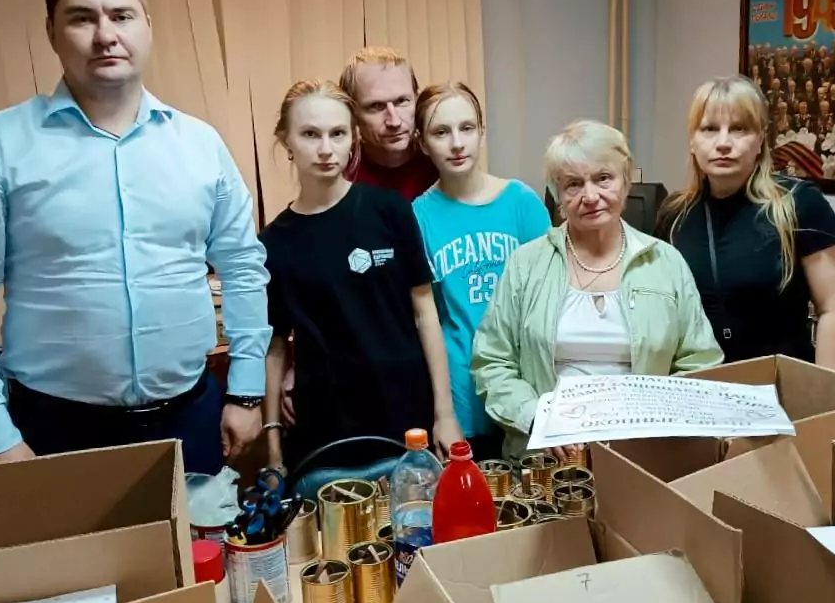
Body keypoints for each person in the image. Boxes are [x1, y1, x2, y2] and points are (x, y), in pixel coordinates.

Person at [0, 0, 271, 472]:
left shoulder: (200, 145)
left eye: (121, 15)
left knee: (200, 531)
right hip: (54, 429)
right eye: (82, 18)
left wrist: (245, 390)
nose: (106, 35)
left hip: (190, 418)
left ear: (147, 25)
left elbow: (243, 268)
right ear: (52, 31)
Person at [472, 120, 723, 463]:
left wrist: (653, 424)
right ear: (558, 194)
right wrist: (537, 417)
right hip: (544, 464)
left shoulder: (665, 264)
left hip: (642, 462)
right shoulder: (525, 265)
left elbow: (701, 363)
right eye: (573, 184)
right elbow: (492, 362)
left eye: (603, 178)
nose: (590, 196)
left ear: (625, 181)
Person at [261, 80, 462, 495]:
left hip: (406, 425)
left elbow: (425, 313)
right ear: (286, 141)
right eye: (310, 134)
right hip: (325, 435)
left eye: (337, 134)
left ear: (353, 138)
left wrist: (445, 415)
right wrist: (274, 451)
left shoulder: (389, 210)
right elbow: (276, 345)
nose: (325, 149)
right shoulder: (274, 242)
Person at [658, 76, 835, 369]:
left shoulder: (800, 204)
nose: (723, 143)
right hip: (697, 386)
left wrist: (825, 392)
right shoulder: (674, 214)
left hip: (779, 387)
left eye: (739, 129)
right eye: (710, 129)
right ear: (693, 142)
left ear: (760, 139)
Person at [411, 82, 550, 463]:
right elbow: (427, 318)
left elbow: (550, 301)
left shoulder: (522, 203)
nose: (457, 143)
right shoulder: (418, 217)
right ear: (422, 143)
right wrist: (443, 414)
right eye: (441, 132)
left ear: (482, 133)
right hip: (461, 395)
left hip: (525, 388)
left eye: (467, 128)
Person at [338, 46, 437, 202]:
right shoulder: (339, 175)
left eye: (402, 101)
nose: (394, 122)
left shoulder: (440, 162)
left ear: (417, 99)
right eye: (376, 106)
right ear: (352, 113)